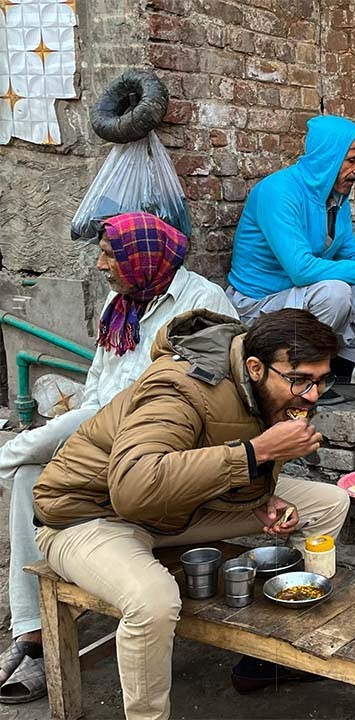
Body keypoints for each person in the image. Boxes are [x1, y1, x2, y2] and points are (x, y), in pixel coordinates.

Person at [31, 308, 351, 719]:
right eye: (300, 380)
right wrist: (261, 451)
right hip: (89, 515)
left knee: (328, 503)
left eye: (322, 380)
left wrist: (259, 495)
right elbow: (133, 487)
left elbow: (222, 455)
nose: (312, 395)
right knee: (152, 602)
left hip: (178, 509)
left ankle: (274, 658)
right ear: (254, 367)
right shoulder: (178, 387)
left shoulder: (274, 388)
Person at [0, 212, 236, 705]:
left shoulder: (203, 304)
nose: (102, 264)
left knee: (21, 459)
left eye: (111, 255)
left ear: (144, 258)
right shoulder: (122, 301)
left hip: (161, 449)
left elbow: (141, 405)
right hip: (106, 435)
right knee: (28, 474)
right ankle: (33, 633)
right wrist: (64, 440)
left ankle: (59, 610)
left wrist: (35, 441)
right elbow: (96, 395)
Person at [225, 115, 355, 403]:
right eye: (352, 161)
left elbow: (352, 257)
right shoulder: (278, 192)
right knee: (334, 292)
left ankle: (339, 364)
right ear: (328, 157)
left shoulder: (336, 197)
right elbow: (300, 270)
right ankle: (305, 375)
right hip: (260, 303)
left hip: (302, 296)